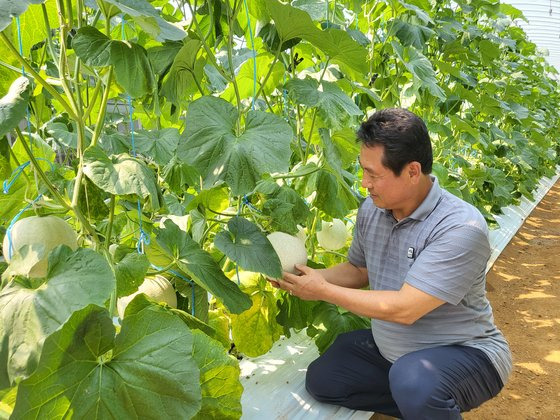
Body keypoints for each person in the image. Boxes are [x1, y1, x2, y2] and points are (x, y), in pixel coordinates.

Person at [269, 108, 512, 419]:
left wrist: (323, 292)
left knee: (415, 382)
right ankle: (421, 403)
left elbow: (405, 309)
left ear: (412, 171)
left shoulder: (460, 227)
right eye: (362, 170)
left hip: (467, 354)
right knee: (324, 380)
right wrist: (310, 277)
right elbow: (358, 271)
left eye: (374, 174)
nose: (364, 183)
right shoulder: (372, 210)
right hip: (394, 354)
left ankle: (426, 397)